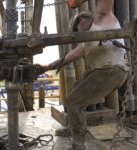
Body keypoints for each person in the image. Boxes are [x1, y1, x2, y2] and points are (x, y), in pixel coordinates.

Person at [35, 0, 129, 149]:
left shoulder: (102, 18)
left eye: (77, 30)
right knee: (75, 91)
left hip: (111, 71)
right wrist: (45, 67)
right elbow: (66, 59)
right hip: (101, 72)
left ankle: (78, 143)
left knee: (74, 102)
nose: (80, 36)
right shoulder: (86, 43)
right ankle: (72, 128)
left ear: (81, 21)